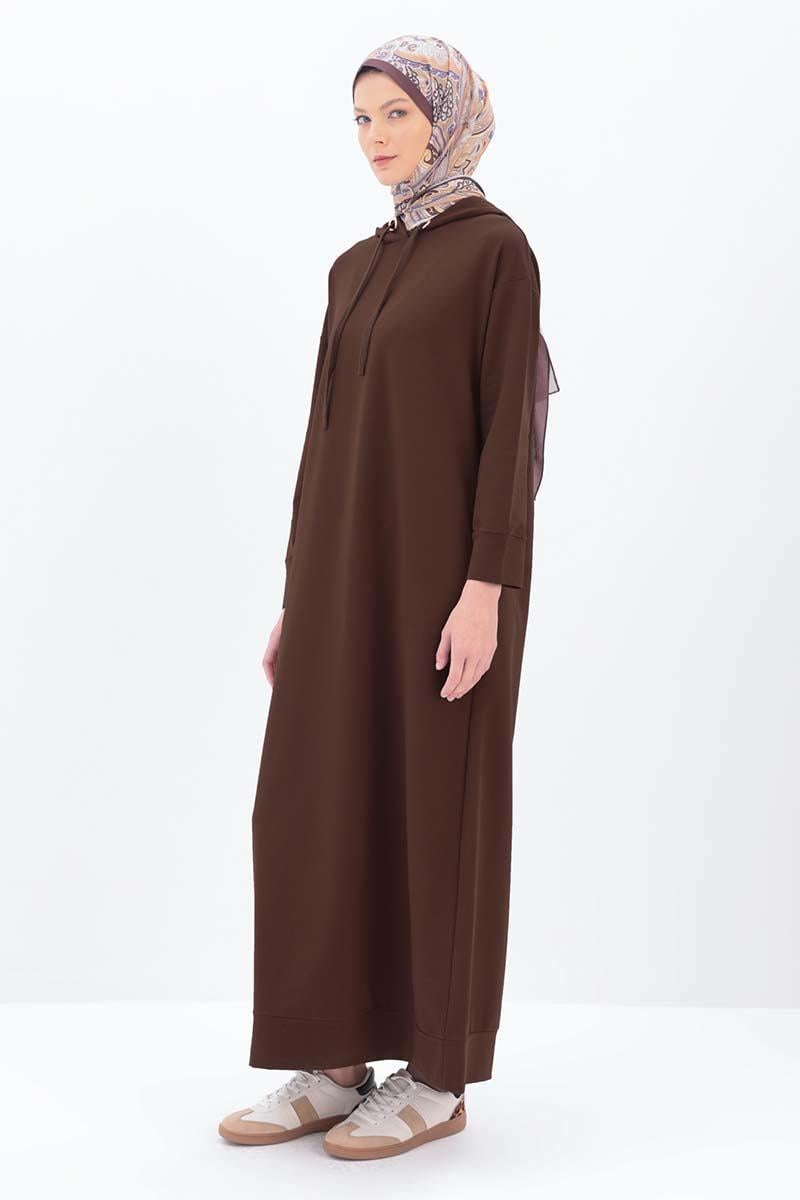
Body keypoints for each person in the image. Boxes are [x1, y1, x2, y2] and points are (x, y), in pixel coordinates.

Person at [219, 33, 559, 1161]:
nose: (375, 138)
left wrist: (486, 588)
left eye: (397, 114)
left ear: (446, 118)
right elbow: (325, 446)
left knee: (434, 804)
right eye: (361, 118)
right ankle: (331, 1062)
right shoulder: (352, 267)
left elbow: (509, 436)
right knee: (314, 799)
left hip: (440, 584)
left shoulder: (495, 252)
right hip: (338, 580)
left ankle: (436, 1078)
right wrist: (298, 592)